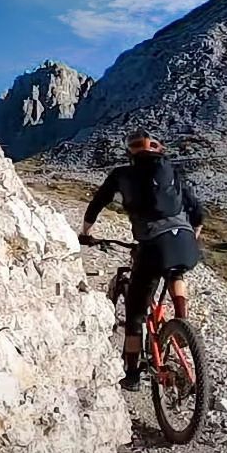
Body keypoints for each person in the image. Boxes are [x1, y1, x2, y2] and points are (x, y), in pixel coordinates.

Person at [79, 131, 205, 390]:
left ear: (130, 151)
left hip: (153, 246)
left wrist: (86, 233)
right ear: (160, 150)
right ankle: (182, 321)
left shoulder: (121, 174)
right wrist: (192, 235)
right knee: (175, 272)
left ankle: (133, 375)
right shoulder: (171, 172)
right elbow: (198, 212)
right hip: (185, 244)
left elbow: (98, 202)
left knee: (135, 315)